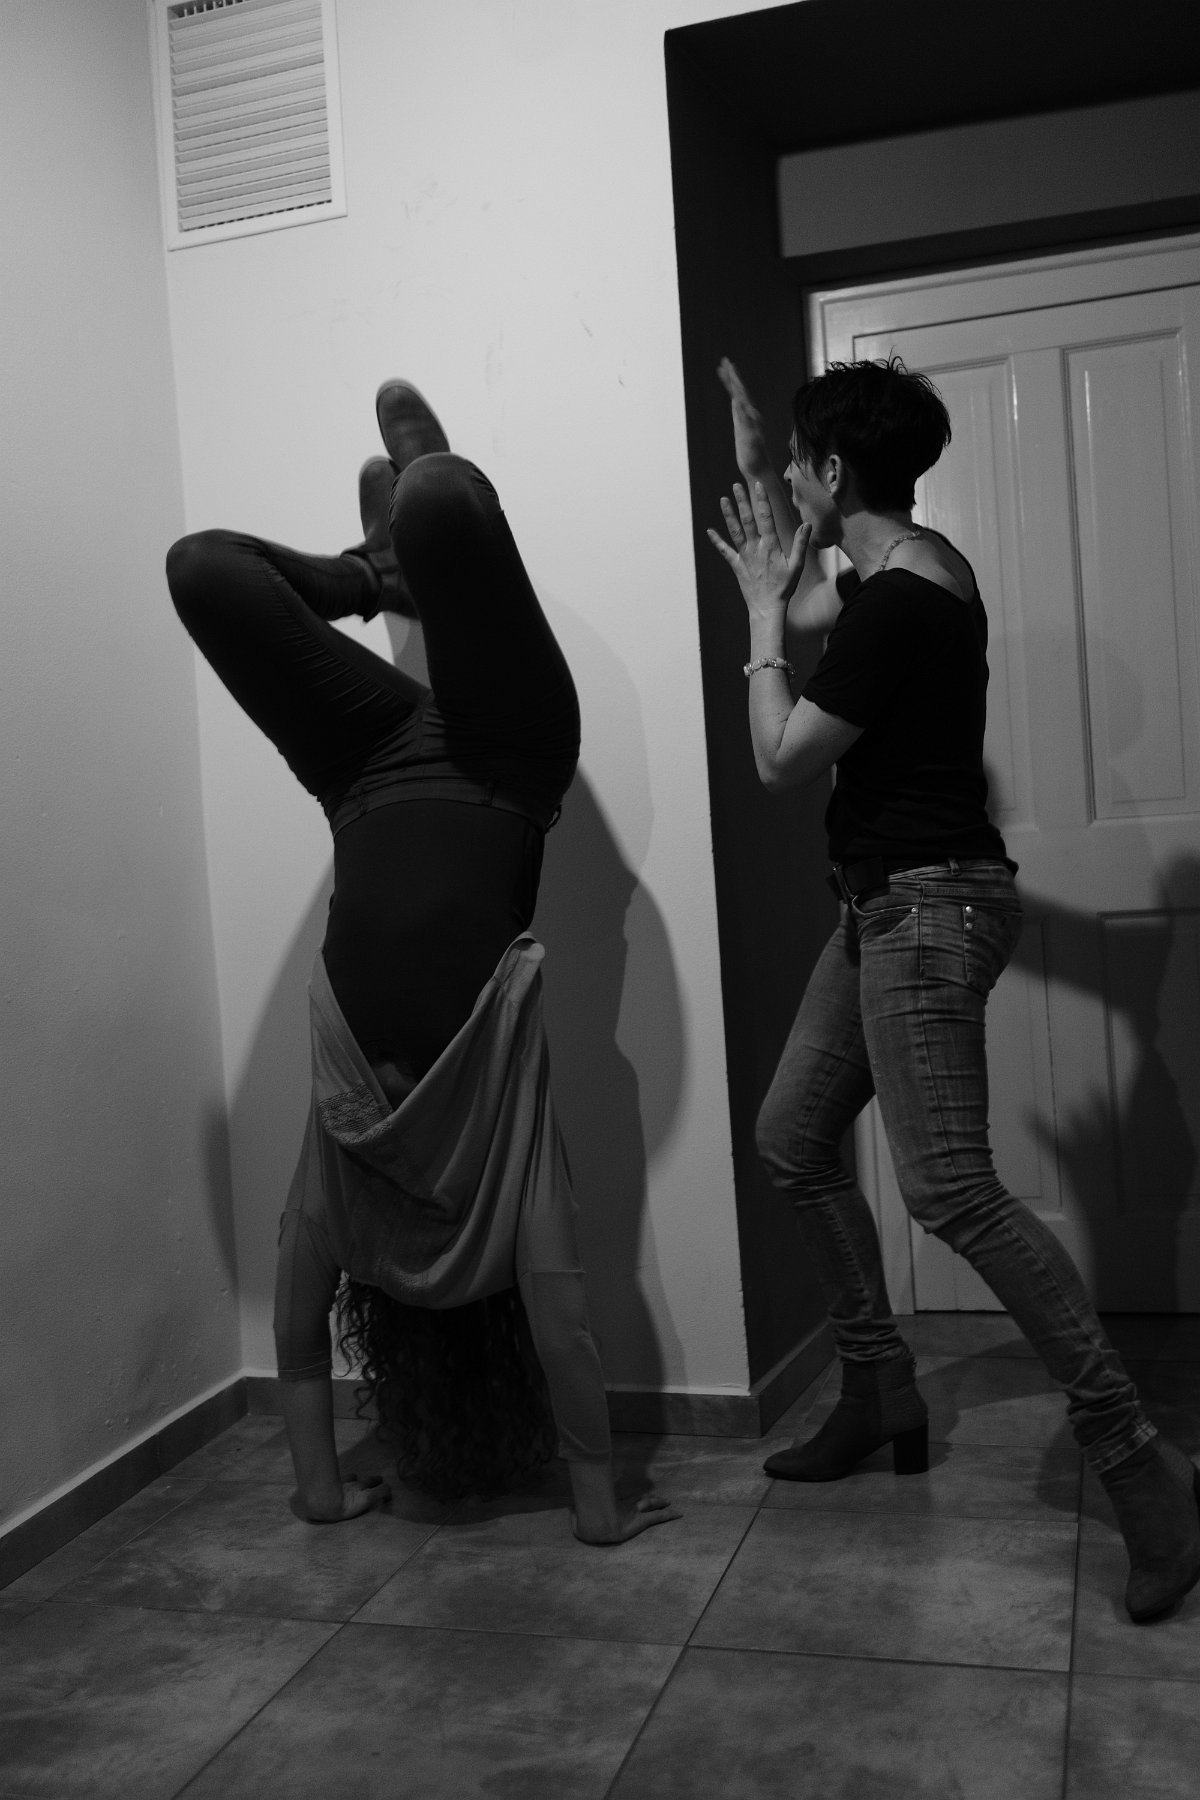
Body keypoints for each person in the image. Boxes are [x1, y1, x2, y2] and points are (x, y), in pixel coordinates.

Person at [707, 355, 1200, 1623]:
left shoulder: (898, 606)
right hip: (889, 904)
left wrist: (757, 615)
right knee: (794, 1137)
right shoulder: (915, 568)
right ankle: (880, 1387)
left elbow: (780, 754)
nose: (792, 488)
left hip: (925, 908)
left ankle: (1142, 1467)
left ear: (834, 472)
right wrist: (764, 472)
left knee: (950, 1189)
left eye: (801, 467)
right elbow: (822, 613)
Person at [166, 380, 678, 1546]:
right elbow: (566, 1330)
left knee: (201, 569)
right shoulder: (510, 1182)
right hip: (510, 764)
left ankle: (375, 573)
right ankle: (402, 550)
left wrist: (321, 1492)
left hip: (363, 774)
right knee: (442, 492)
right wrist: (599, 1507)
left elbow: (294, 1336)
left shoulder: (344, 1188)